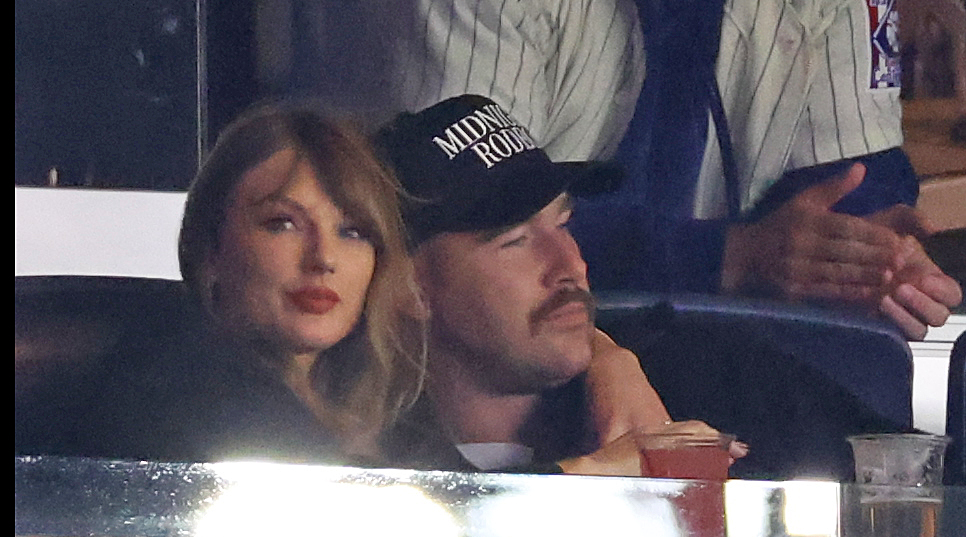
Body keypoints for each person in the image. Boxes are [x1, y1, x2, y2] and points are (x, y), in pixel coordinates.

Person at [380, 0, 961, 340]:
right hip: (500, 359)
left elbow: (862, 166)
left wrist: (863, 253)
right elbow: (453, 226)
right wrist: (728, 256)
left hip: (737, 348)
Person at [374, 94, 745, 476]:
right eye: (515, 240)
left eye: (563, 224)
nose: (570, 264)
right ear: (410, 286)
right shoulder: (360, 458)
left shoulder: (711, 391)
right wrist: (593, 476)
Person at [77, 104, 425, 464]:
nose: (323, 259)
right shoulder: (171, 400)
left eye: (351, 231)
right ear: (211, 247)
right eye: (282, 224)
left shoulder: (409, 423)